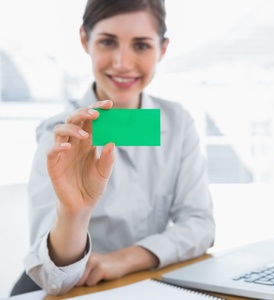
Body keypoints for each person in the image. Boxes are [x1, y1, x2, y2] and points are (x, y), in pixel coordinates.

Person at [10, 0, 215, 296]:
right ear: (85, 39)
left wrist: (124, 260)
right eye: (108, 42)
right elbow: (53, 279)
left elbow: (200, 224)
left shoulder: (177, 123)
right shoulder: (58, 135)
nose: (122, 63)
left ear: (163, 49)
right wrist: (73, 214)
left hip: (136, 281)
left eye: (141, 45)